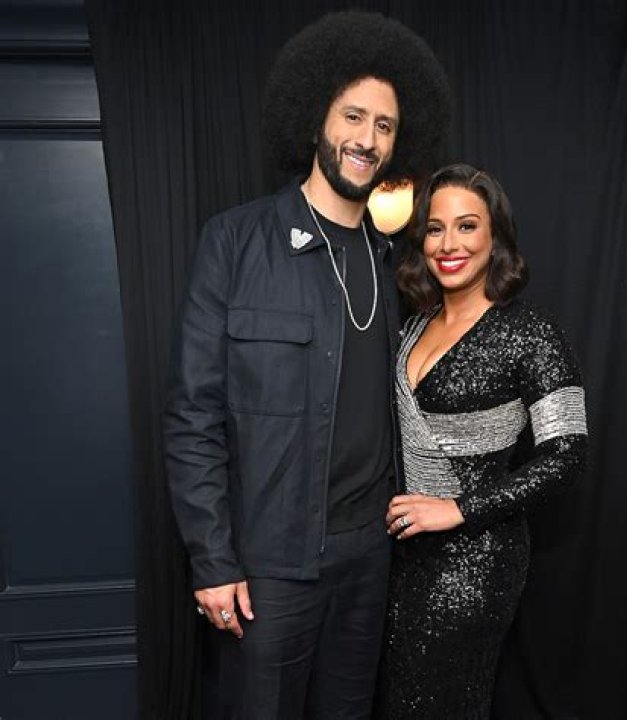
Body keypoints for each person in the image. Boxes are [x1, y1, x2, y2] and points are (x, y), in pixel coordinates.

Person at [163, 10, 451, 720]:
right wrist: (213, 559)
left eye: (384, 126)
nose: (367, 139)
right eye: (353, 116)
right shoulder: (235, 242)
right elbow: (193, 415)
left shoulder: (392, 263)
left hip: (368, 558)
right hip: (268, 565)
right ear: (316, 117)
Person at [373, 164, 588, 719]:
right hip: (399, 555)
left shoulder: (532, 333)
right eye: (435, 228)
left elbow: (567, 456)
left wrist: (459, 509)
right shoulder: (412, 325)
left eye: (467, 226)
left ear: (496, 238)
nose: (449, 244)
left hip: (475, 560)